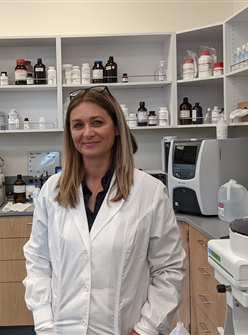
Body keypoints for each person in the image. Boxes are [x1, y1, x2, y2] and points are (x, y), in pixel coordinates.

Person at [23, 85, 186, 335]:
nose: (87, 133)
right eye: (77, 125)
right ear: (70, 133)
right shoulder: (52, 191)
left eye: (97, 122)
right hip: (61, 329)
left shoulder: (149, 192)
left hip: (123, 329)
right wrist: (45, 323)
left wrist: (147, 329)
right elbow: (37, 260)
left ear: (117, 127)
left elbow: (170, 268)